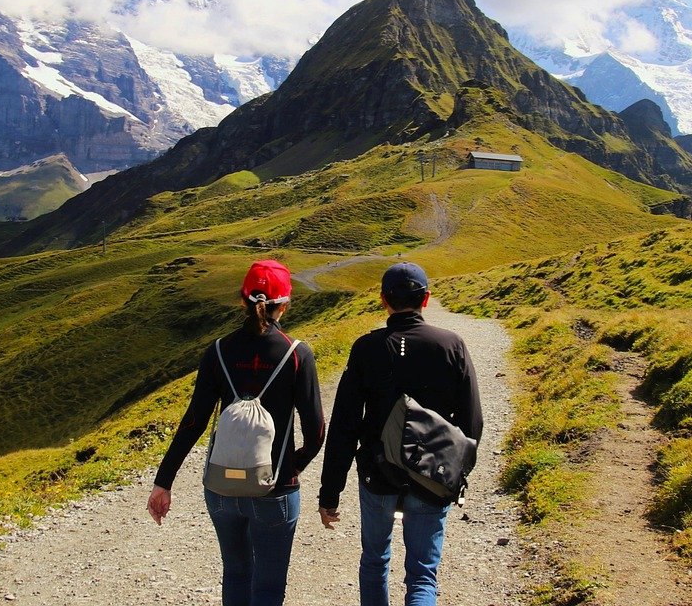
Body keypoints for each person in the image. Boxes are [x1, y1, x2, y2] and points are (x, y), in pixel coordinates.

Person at [147, 259, 324, 606]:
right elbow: (316, 431)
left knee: (236, 574)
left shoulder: (217, 351)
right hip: (274, 489)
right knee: (270, 587)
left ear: (242, 301)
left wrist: (163, 482)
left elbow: (193, 422)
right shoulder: (297, 353)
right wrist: (294, 465)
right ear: (284, 305)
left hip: (221, 488)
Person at [317, 262, 483, 606]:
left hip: (377, 475)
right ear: (426, 299)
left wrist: (330, 493)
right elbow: (473, 422)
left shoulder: (366, 348)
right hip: (432, 475)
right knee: (422, 573)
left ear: (383, 300)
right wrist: (454, 473)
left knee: (375, 562)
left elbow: (344, 424)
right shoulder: (452, 345)